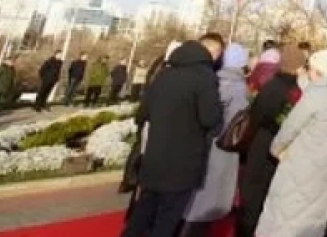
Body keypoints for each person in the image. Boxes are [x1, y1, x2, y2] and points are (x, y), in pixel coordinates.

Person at [120, 35, 224, 237]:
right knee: (166, 222)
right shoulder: (204, 78)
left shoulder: (164, 75)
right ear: (212, 53)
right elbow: (210, 119)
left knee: (142, 214)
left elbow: (142, 114)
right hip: (183, 162)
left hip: (154, 158)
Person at [255, 49, 327, 237]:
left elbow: (290, 128)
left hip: (301, 164)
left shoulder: (315, 95)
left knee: (286, 214)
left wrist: (276, 149)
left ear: (318, 71)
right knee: (314, 214)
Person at [181, 43, 249, 236]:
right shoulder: (238, 87)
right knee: (212, 193)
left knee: (199, 190)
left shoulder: (212, 80)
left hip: (204, 142)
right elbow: (237, 121)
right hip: (224, 146)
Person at [236, 44, 304, 237]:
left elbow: (257, 116)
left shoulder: (273, 86)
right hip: (274, 147)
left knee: (252, 195)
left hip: (261, 143)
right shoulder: (293, 90)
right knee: (261, 196)